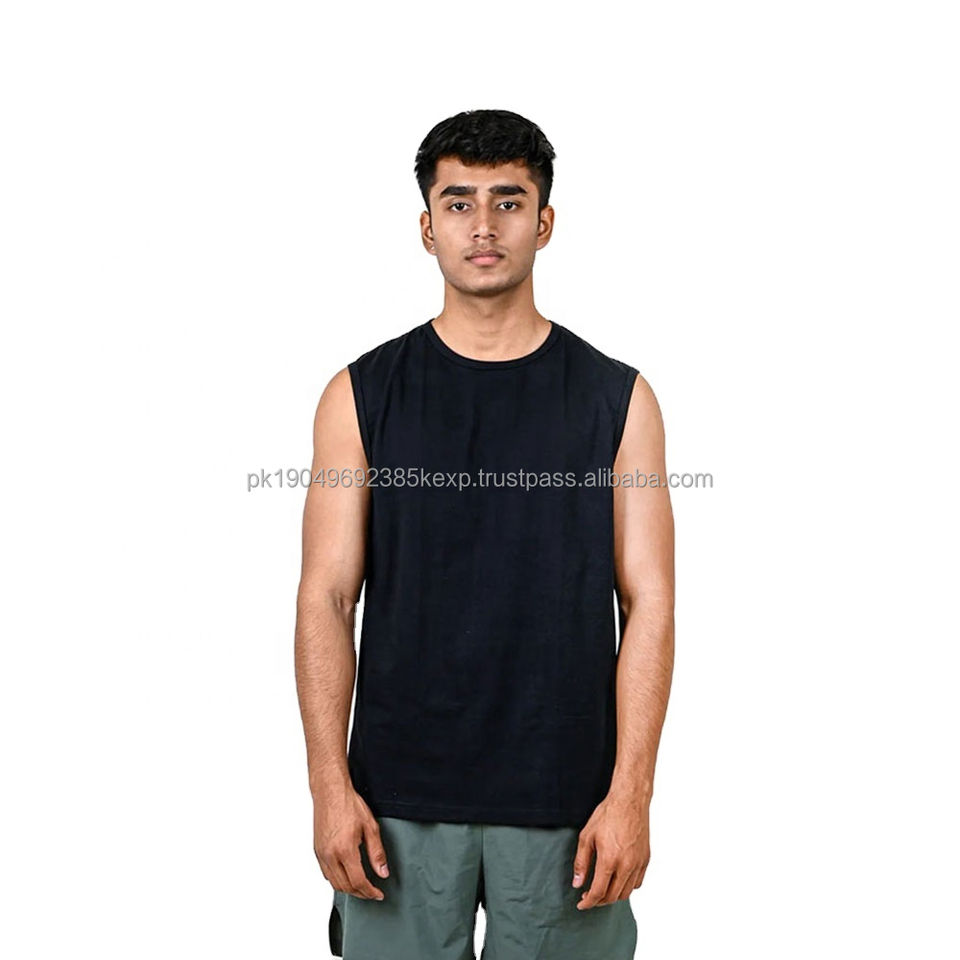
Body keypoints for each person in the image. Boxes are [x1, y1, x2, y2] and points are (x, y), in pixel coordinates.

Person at [294, 108, 675, 959]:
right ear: (427, 227)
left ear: (544, 222)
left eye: (508, 201)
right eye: (459, 202)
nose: (484, 226)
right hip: (395, 800)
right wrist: (328, 787)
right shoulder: (358, 395)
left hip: (567, 800)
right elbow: (327, 596)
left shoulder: (618, 400)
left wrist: (632, 795)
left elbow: (649, 601)